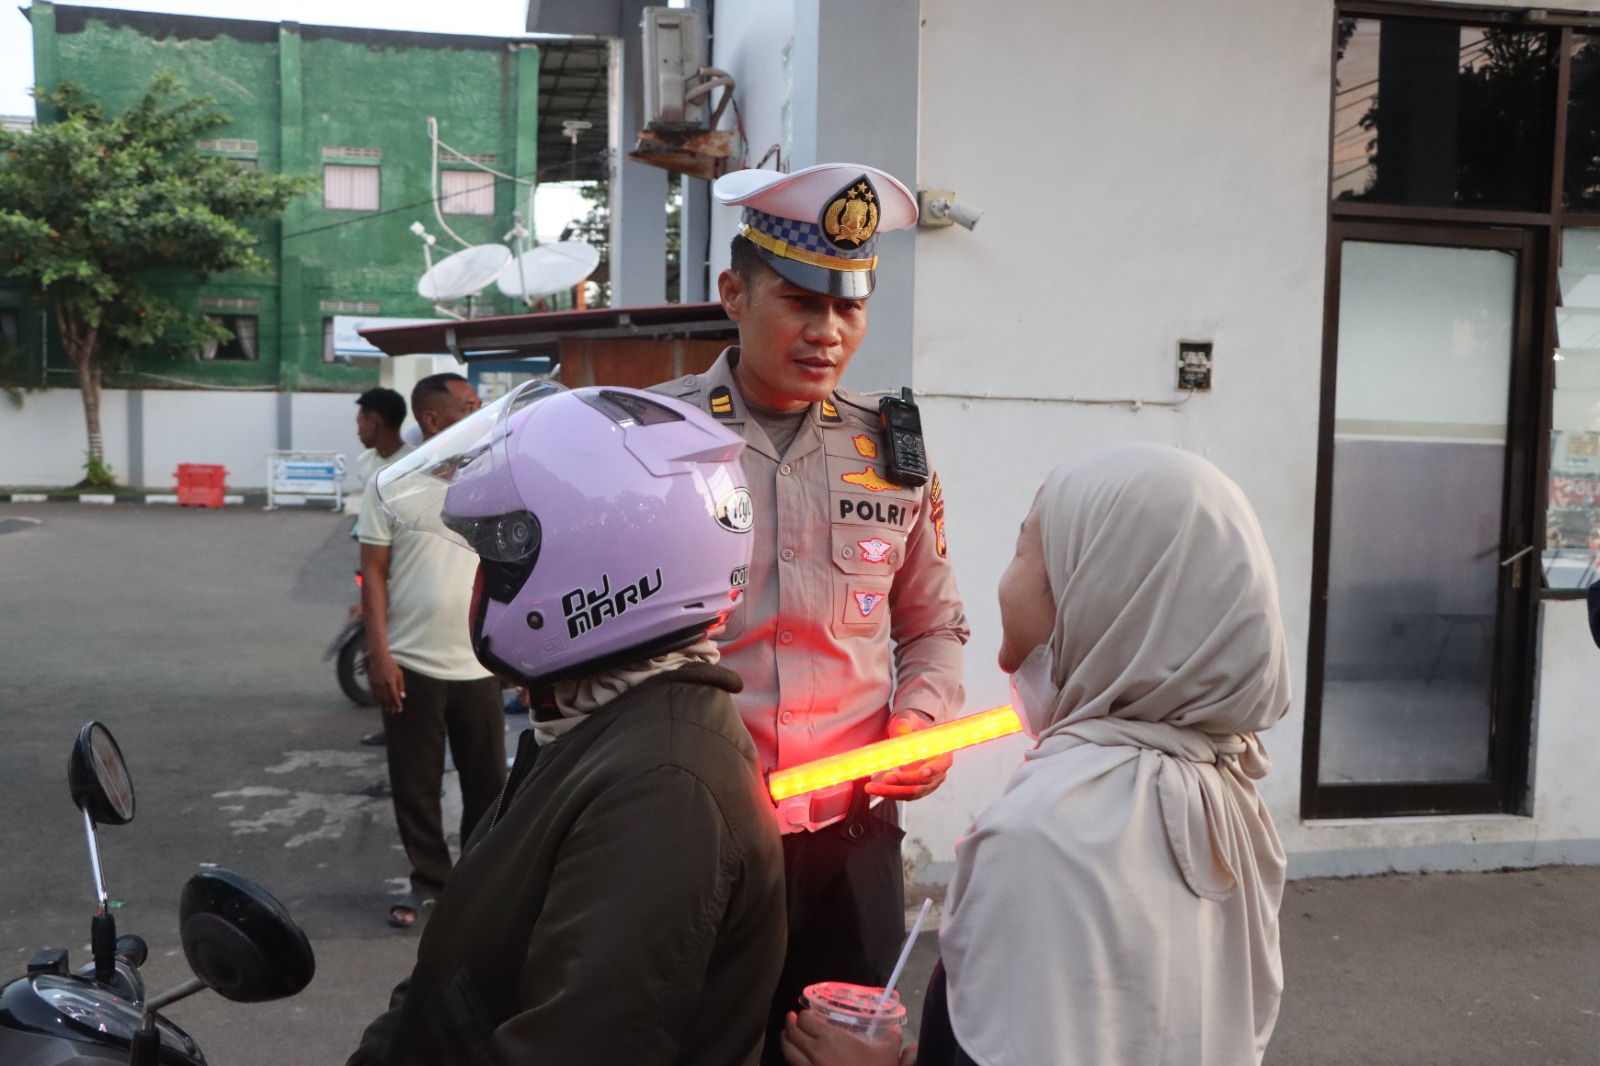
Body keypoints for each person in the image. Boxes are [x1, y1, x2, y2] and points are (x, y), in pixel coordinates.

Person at [781, 442, 1293, 1066]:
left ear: (1095, 594)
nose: (1006, 578)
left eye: (1024, 548)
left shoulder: (1044, 836)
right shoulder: (1226, 800)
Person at [346, 382, 784, 1066]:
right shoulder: (596, 722)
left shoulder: (663, 789)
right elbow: (455, 973)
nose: (480, 583)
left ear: (592, 571)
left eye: (496, 558)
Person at [653, 162, 969, 1063]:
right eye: (800, 301)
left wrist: (923, 724)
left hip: (851, 840)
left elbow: (933, 627)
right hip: (696, 831)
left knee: (845, 1049)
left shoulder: (892, 451)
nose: (828, 332)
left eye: (848, 308)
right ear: (734, 294)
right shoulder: (654, 440)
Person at [357, 372, 505, 928]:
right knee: (415, 784)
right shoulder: (392, 482)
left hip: (478, 661)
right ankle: (429, 880)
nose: (481, 413)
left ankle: (478, 884)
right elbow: (373, 572)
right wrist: (380, 654)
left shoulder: (493, 479)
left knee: (487, 783)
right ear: (433, 419)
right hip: (411, 662)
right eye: (469, 406)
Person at [350, 386, 412, 746]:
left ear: (375, 421)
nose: (357, 428)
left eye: (360, 420)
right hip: (373, 560)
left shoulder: (413, 464)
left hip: (404, 572)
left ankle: (401, 718)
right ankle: (391, 719)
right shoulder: (365, 463)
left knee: (400, 646)